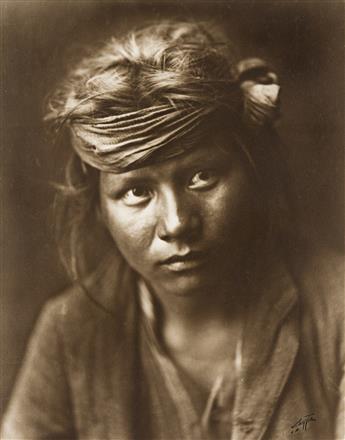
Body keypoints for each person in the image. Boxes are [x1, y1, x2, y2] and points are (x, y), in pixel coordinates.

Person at [1, 21, 343, 440]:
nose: (178, 223)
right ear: (99, 208)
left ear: (250, 170)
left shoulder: (337, 312)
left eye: (202, 176)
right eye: (137, 191)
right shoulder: (68, 333)